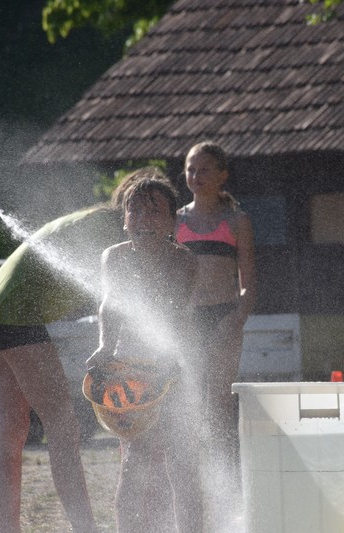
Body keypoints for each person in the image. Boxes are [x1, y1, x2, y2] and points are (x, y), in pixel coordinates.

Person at [0, 174, 143, 533]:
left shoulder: (100, 220)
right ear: (128, 207)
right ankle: (85, 529)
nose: (149, 219)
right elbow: (119, 302)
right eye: (144, 208)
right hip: (15, 313)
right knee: (63, 425)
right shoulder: (114, 234)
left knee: (11, 430)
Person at [86, 170, 203, 533]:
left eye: (154, 212)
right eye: (134, 211)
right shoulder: (114, 257)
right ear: (124, 220)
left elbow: (177, 312)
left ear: (171, 222)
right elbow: (110, 304)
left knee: (182, 463)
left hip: (175, 365)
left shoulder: (184, 260)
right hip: (130, 368)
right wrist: (105, 346)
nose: (143, 219)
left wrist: (169, 357)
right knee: (135, 461)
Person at [175, 141, 257, 470]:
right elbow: (167, 275)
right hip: (186, 320)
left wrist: (235, 319)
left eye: (204, 170)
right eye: (191, 170)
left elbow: (249, 284)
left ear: (222, 175)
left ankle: (228, 481)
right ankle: (193, 478)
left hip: (225, 317)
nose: (196, 176)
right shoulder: (175, 221)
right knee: (189, 400)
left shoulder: (237, 221)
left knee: (220, 403)